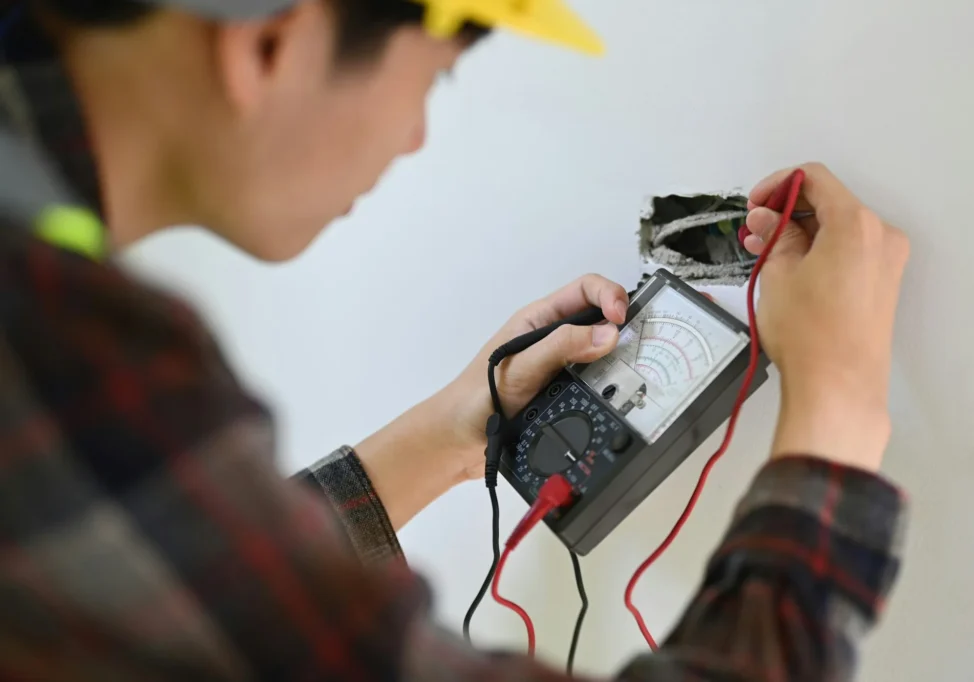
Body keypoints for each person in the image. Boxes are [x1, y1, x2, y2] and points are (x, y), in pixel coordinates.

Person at [0, 1, 910, 680]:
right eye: (432, 79)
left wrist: (453, 431)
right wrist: (835, 406)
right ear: (268, 44)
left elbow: (179, 584)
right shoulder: (55, 342)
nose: (415, 136)